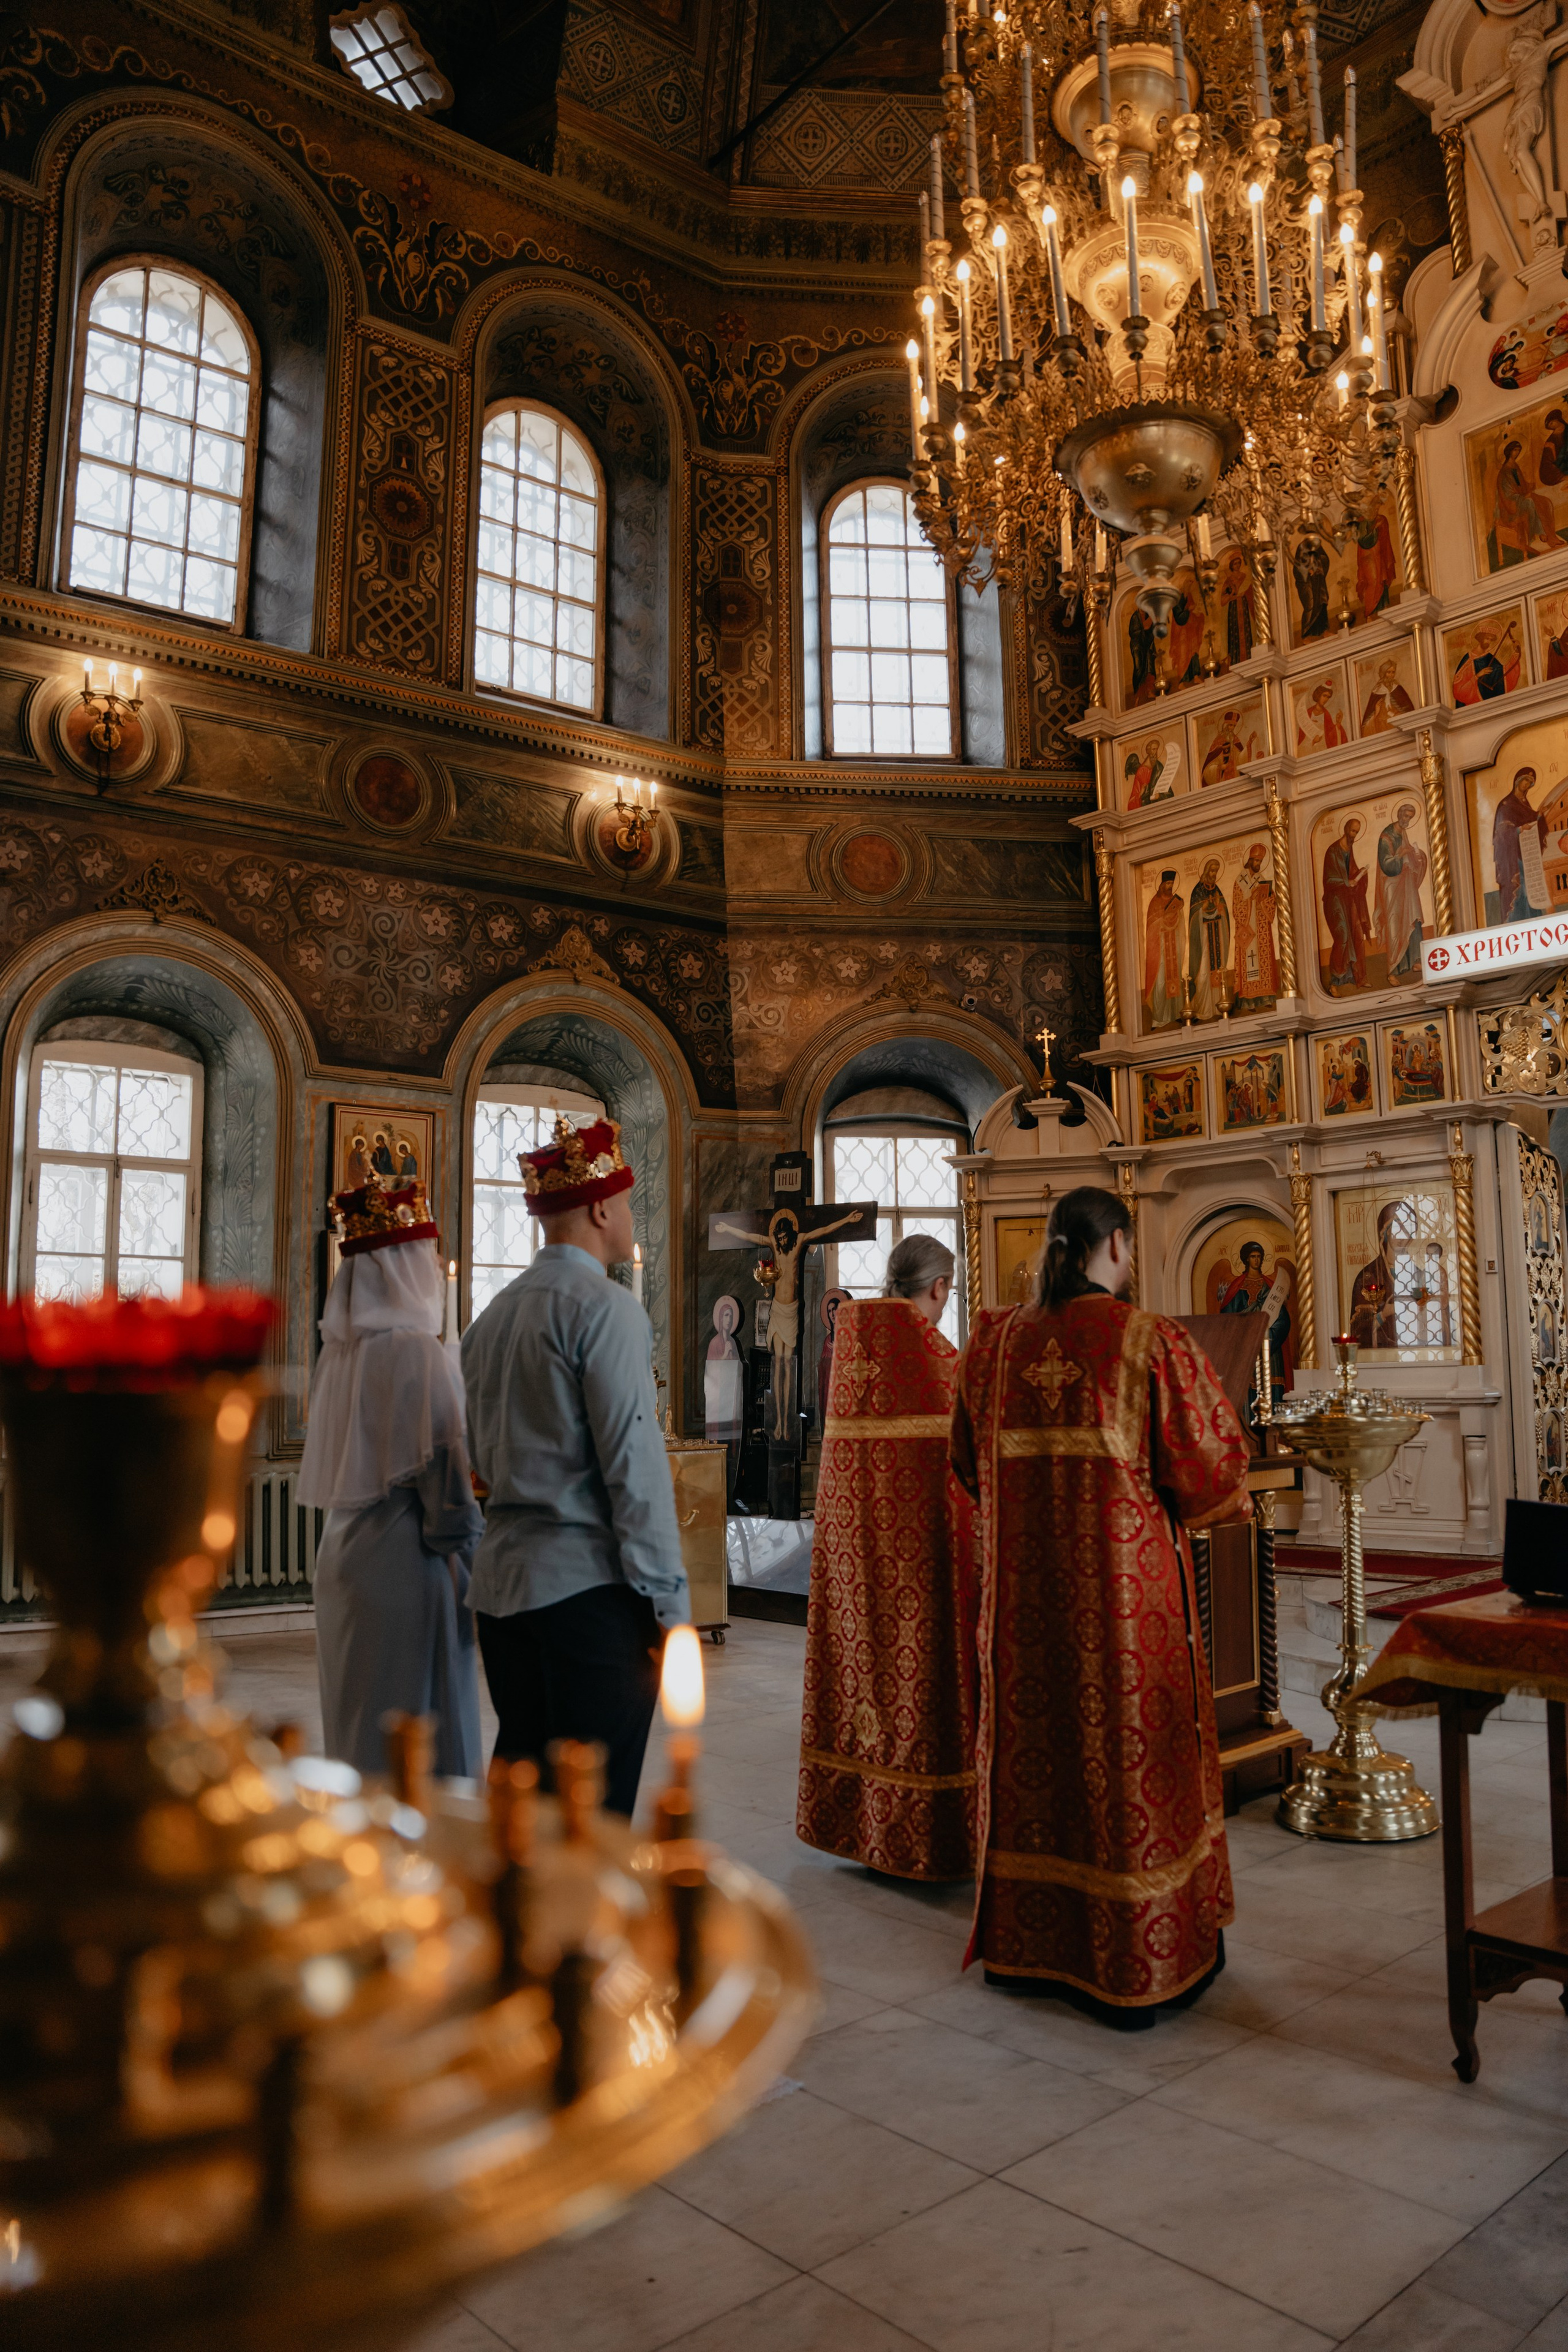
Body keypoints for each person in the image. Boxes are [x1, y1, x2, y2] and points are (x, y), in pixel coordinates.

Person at [950, 1187, 1250, 2024]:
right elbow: (1210, 1471)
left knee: (1036, 1744)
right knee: (1125, 1762)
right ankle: (1134, 1954)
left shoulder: (995, 1343)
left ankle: (1028, 1948)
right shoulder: (1146, 1341)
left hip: (1021, 1609)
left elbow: (966, 1463)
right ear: (1116, 1244)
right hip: (1125, 1612)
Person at [462, 1113, 689, 1817]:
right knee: (592, 1817)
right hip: (588, 1598)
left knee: (526, 1806)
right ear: (599, 1207)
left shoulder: (489, 1318)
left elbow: (475, 1459)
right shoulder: (606, 1308)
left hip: (502, 1594)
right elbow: (635, 1466)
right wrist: (670, 1601)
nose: (628, 1217)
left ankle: (516, 1926)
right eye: (625, 1202)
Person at [798, 1235, 980, 1880]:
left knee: (860, 1681)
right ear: (937, 1289)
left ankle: (857, 1825)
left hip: (852, 1567)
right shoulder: (941, 1365)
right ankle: (919, 1838)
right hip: (921, 1570)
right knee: (919, 1687)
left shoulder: (848, 1344)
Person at [298, 1178, 482, 1781]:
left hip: (343, 1563)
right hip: (406, 1571)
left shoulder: (343, 1351)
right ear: (404, 1265)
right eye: (424, 1253)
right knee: (414, 1738)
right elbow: (449, 1502)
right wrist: (490, 1569)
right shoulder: (417, 1352)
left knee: (356, 1728)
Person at [1374, 802, 1428, 981]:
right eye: (1405, 816)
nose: (1407, 820)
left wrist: (1417, 856)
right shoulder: (1386, 838)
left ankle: (1416, 960)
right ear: (1399, 815)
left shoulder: (1403, 833)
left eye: (1410, 818)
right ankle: (1393, 969)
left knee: (1414, 918)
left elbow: (1409, 857)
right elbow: (1387, 865)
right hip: (1391, 885)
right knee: (1395, 924)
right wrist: (1400, 854)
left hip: (1406, 884)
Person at [1322, 814, 1372, 990]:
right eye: (1352, 831)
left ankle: (1358, 977)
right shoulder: (1333, 851)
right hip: (1334, 901)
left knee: (1357, 933)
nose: (1354, 835)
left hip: (1349, 899)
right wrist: (1346, 883)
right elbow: (1328, 881)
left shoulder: (1349, 850)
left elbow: (1350, 874)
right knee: (1342, 936)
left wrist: (1361, 874)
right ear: (1346, 830)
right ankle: (1335, 980)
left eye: (1357, 832)